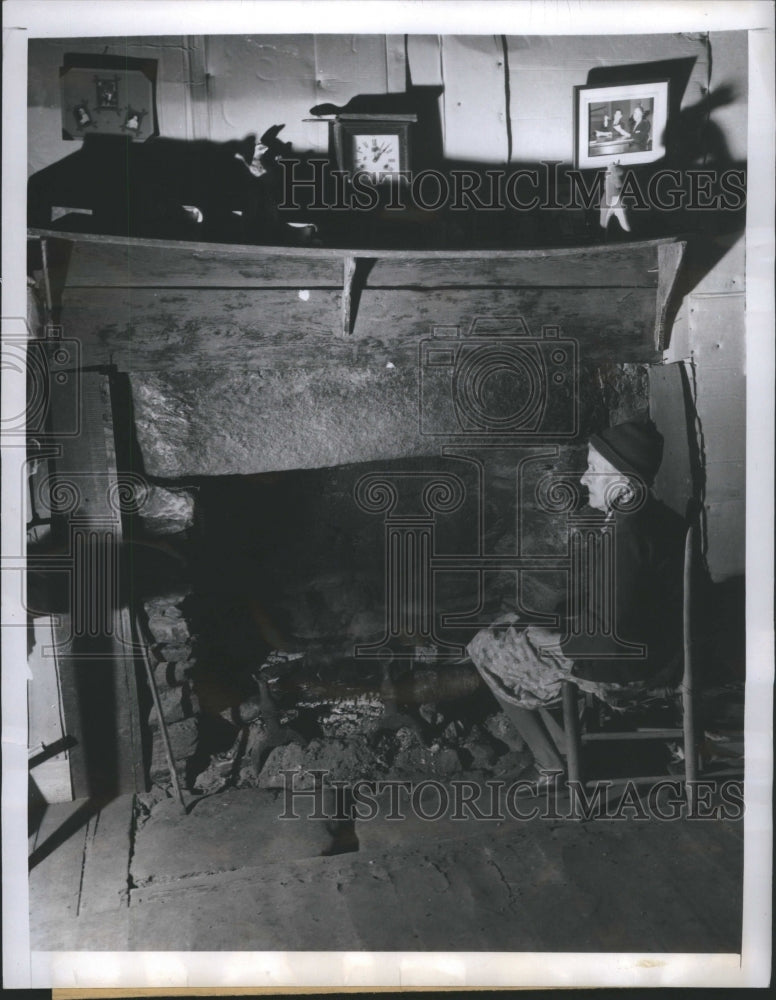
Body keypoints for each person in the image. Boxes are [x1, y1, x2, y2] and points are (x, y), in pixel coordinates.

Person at [467, 421, 685, 788]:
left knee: (485, 645)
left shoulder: (626, 537)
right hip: (659, 649)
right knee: (514, 624)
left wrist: (549, 638)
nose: (584, 479)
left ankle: (553, 762)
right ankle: (567, 751)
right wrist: (558, 621)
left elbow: (609, 638)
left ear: (626, 485)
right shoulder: (653, 518)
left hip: (633, 669)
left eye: (594, 470)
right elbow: (623, 608)